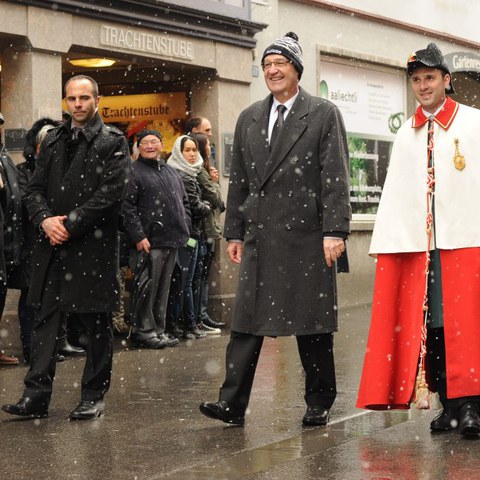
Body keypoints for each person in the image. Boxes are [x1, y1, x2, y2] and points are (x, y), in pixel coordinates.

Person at [199, 32, 351, 427]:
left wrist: (335, 230)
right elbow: (242, 183)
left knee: (311, 323)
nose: (272, 71)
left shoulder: (322, 113)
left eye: (280, 63)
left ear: (296, 70)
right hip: (260, 238)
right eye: (267, 65)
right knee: (245, 324)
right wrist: (233, 232)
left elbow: (335, 177)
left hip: (308, 236)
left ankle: (319, 400)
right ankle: (231, 404)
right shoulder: (249, 116)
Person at [356, 43, 480, 437]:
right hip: (421, 251)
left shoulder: (474, 124)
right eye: (416, 80)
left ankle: (472, 405)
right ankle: (448, 403)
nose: (423, 86)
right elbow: (396, 194)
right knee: (432, 327)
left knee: (468, 325)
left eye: (429, 78)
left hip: (466, 242)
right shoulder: (405, 136)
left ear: (446, 80)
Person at [2, 74, 130, 420]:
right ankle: (36, 396)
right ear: (66, 101)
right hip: (51, 247)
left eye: (84, 98)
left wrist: (68, 224)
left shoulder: (113, 141)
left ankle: (93, 395)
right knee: (45, 322)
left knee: (95, 325)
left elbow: (110, 195)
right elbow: (33, 189)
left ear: (97, 101)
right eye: (72, 98)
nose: (78, 104)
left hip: (92, 248)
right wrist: (45, 220)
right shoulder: (54, 141)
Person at [122, 129, 190, 349]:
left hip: (172, 240)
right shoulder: (133, 172)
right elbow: (127, 207)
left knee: (163, 290)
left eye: (154, 142)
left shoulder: (171, 171)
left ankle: (159, 330)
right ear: (138, 147)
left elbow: (185, 202)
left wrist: (185, 226)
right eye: (145, 142)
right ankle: (145, 331)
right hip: (149, 242)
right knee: (146, 288)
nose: (150, 146)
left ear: (161, 145)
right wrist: (138, 236)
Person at [167, 135, 211, 340]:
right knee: (186, 281)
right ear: (179, 152)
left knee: (187, 281)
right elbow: (196, 208)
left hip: (191, 234)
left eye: (195, 150)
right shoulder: (183, 176)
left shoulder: (188, 173)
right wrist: (208, 206)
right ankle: (189, 324)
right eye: (188, 150)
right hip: (187, 236)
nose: (192, 154)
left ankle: (187, 323)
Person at [189, 132, 226, 333]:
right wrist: (214, 185)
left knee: (201, 277)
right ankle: (198, 318)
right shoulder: (200, 173)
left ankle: (201, 316)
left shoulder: (204, 171)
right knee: (197, 278)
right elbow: (216, 199)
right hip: (202, 231)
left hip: (207, 229)